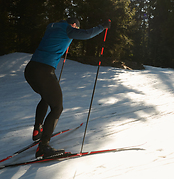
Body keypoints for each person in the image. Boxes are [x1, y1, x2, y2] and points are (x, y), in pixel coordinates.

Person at [24, 17, 111, 159]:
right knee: (57, 107)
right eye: (75, 28)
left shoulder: (52, 26)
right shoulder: (68, 29)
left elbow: (57, 38)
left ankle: (37, 131)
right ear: (74, 24)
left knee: (46, 98)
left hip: (30, 70)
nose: (74, 31)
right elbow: (87, 34)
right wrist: (103, 27)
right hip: (44, 71)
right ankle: (43, 147)